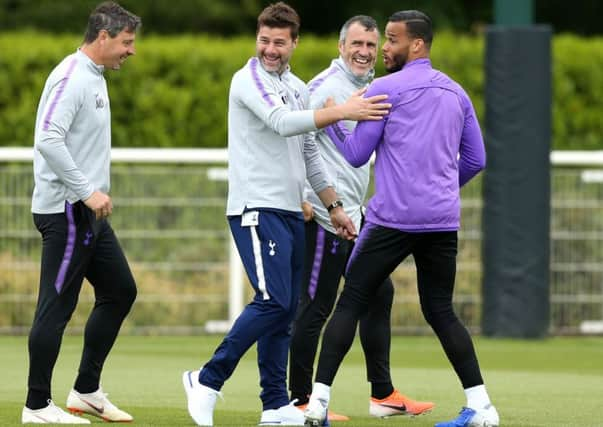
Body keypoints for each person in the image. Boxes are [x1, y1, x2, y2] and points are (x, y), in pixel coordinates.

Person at [181, 3, 390, 427]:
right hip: (256, 208)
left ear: (294, 43)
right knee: (274, 302)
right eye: (264, 40)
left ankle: (275, 404)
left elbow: (309, 151)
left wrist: (335, 206)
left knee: (286, 308)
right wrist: (342, 112)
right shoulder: (247, 80)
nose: (270, 49)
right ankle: (206, 379)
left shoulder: (295, 86)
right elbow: (280, 123)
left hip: (295, 213)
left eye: (279, 42)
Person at [304, 10, 500, 427]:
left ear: (416, 45)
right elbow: (477, 159)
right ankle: (483, 407)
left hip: (392, 220)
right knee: (441, 311)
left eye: (391, 40)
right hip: (442, 221)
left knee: (352, 301)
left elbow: (356, 154)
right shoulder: (456, 92)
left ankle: (317, 404)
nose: (384, 49)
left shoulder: (383, 89)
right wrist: (442, 188)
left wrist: (338, 120)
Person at [288, 15, 434, 421]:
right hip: (322, 215)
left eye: (371, 45)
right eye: (357, 44)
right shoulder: (322, 88)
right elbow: (297, 139)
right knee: (316, 306)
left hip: (353, 215)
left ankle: (382, 395)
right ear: (340, 46)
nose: (365, 52)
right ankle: (299, 401)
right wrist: (309, 198)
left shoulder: (372, 89)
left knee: (378, 293)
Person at [22, 2, 140, 424]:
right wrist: (86, 191)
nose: (132, 51)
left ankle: (86, 390)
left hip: (85, 214)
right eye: (127, 42)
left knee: (121, 291)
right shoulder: (73, 77)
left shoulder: (95, 76)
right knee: (55, 308)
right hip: (66, 211)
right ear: (104, 37)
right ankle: (36, 405)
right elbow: (48, 140)